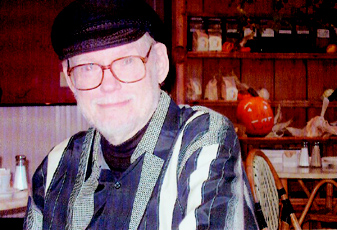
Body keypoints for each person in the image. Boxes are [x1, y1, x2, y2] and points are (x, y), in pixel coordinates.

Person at [24, 0, 258, 229]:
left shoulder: (202, 141)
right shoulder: (55, 167)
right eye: (88, 67)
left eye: (127, 61)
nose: (108, 85)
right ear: (70, 79)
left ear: (160, 64)